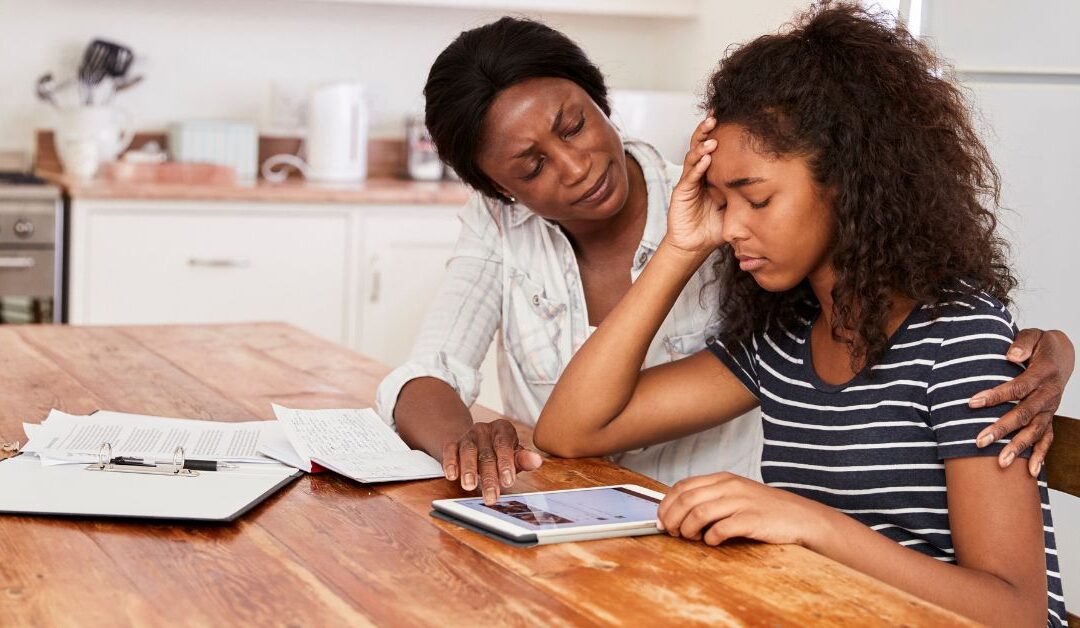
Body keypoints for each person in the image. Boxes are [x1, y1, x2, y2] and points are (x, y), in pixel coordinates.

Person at [377, 16, 1072, 506]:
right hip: (617, 533)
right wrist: (466, 446)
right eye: (531, 166)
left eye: (575, 124)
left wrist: (1044, 346)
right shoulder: (762, 313)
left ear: (599, 99)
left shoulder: (732, 198)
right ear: (502, 189)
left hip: (729, 536)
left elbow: (902, 309)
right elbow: (470, 388)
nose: (576, 165)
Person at [533, 5, 1069, 625]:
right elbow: (571, 430)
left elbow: (1017, 613)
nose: (731, 228)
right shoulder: (784, 340)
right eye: (719, 201)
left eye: (756, 198)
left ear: (847, 180)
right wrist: (680, 247)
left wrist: (808, 523)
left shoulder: (959, 341)